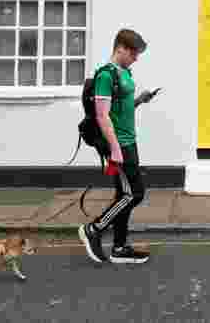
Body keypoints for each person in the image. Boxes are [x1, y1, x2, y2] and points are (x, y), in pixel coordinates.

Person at [78, 28, 157, 264]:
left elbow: (119, 109)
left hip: (129, 141)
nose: (136, 57)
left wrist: (139, 100)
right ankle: (94, 229)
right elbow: (102, 116)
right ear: (120, 48)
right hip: (119, 144)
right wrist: (114, 148)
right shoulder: (106, 75)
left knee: (125, 194)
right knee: (135, 193)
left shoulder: (124, 73)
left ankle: (120, 247)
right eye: (133, 52)